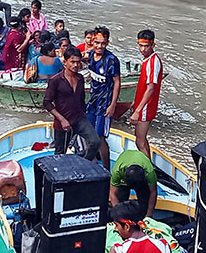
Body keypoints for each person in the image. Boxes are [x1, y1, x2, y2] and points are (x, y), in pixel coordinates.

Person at [43, 47, 100, 160]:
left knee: (95, 142)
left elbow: (81, 99)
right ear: (65, 62)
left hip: (79, 120)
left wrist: (85, 114)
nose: (76, 65)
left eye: (78, 62)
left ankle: (85, 163)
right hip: (62, 123)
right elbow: (47, 103)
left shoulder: (80, 78)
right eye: (72, 62)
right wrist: (62, 119)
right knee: (60, 154)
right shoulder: (56, 80)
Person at [86, 26, 121, 171]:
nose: (100, 46)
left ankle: (106, 169)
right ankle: (92, 162)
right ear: (92, 41)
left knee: (100, 137)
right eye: (97, 42)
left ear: (107, 43)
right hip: (93, 99)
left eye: (103, 43)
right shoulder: (90, 56)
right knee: (88, 132)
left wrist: (113, 105)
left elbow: (117, 83)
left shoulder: (112, 60)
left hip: (105, 103)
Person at [130, 29, 163, 159]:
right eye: (141, 45)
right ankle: (149, 167)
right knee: (141, 140)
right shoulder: (148, 60)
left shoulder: (152, 62)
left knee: (140, 141)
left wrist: (138, 110)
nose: (143, 49)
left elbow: (150, 89)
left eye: (146, 46)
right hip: (143, 106)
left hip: (146, 108)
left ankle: (148, 171)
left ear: (153, 45)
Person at [109, 150, 157, 217]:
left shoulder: (149, 172)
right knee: (120, 200)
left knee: (144, 204)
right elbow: (112, 192)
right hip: (124, 176)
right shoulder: (117, 170)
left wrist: (149, 214)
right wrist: (118, 213)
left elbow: (153, 192)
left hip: (141, 178)